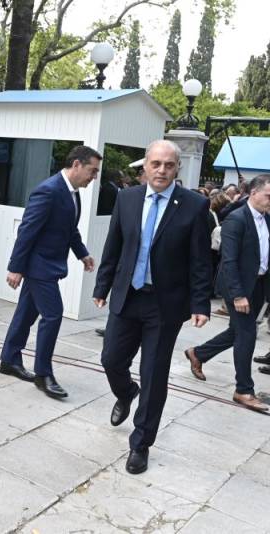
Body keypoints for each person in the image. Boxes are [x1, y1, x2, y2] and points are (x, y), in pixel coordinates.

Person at [93, 140, 211, 475]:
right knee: (111, 359)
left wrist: (200, 302)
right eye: (156, 164)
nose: (161, 170)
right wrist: (102, 286)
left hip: (165, 304)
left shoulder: (194, 205)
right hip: (127, 296)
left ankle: (141, 443)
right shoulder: (127, 198)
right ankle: (126, 392)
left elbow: (200, 260)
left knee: (154, 374)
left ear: (177, 168)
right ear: (145, 166)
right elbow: (114, 245)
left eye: (169, 165)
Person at [0, 145, 99, 399]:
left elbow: (69, 229)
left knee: (25, 314)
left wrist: (82, 253)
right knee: (53, 316)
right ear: (76, 164)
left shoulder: (72, 193)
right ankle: (43, 374)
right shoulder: (49, 190)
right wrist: (15, 268)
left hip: (47, 265)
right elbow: (27, 230)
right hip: (39, 266)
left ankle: (9, 359)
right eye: (92, 171)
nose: (94, 177)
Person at [183, 175, 270, 412]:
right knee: (247, 335)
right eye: (268, 195)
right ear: (254, 193)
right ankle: (243, 389)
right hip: (237, 287)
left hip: (258, 285)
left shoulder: (266, 218)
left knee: (237, 332)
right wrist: (238, 295)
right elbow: (229, 261)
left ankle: (197, 353)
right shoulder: (236, 219)